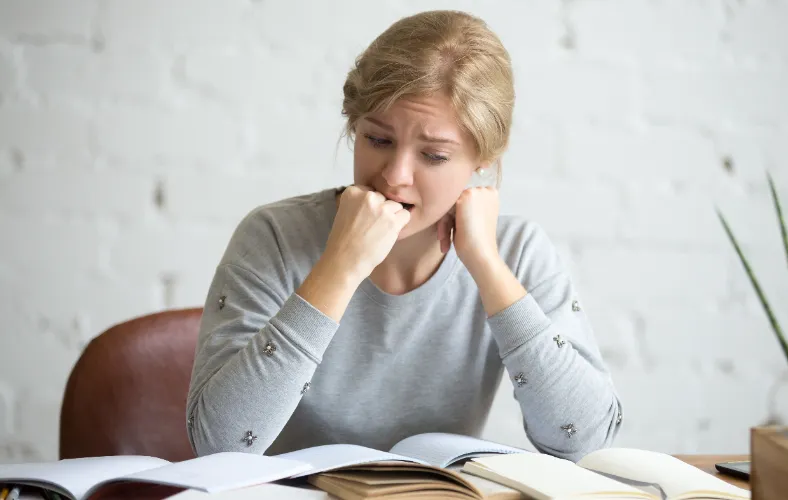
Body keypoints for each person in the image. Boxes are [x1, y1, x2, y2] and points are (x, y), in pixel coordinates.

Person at [185, 9, 623, 463]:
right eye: (377, 140)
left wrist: (489, 269)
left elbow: (583, 438)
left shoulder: (518, 252)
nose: (394, 176)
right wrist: (340, 266)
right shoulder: (274, 236)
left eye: (433, 155)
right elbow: (218, 443)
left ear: (483, 158)